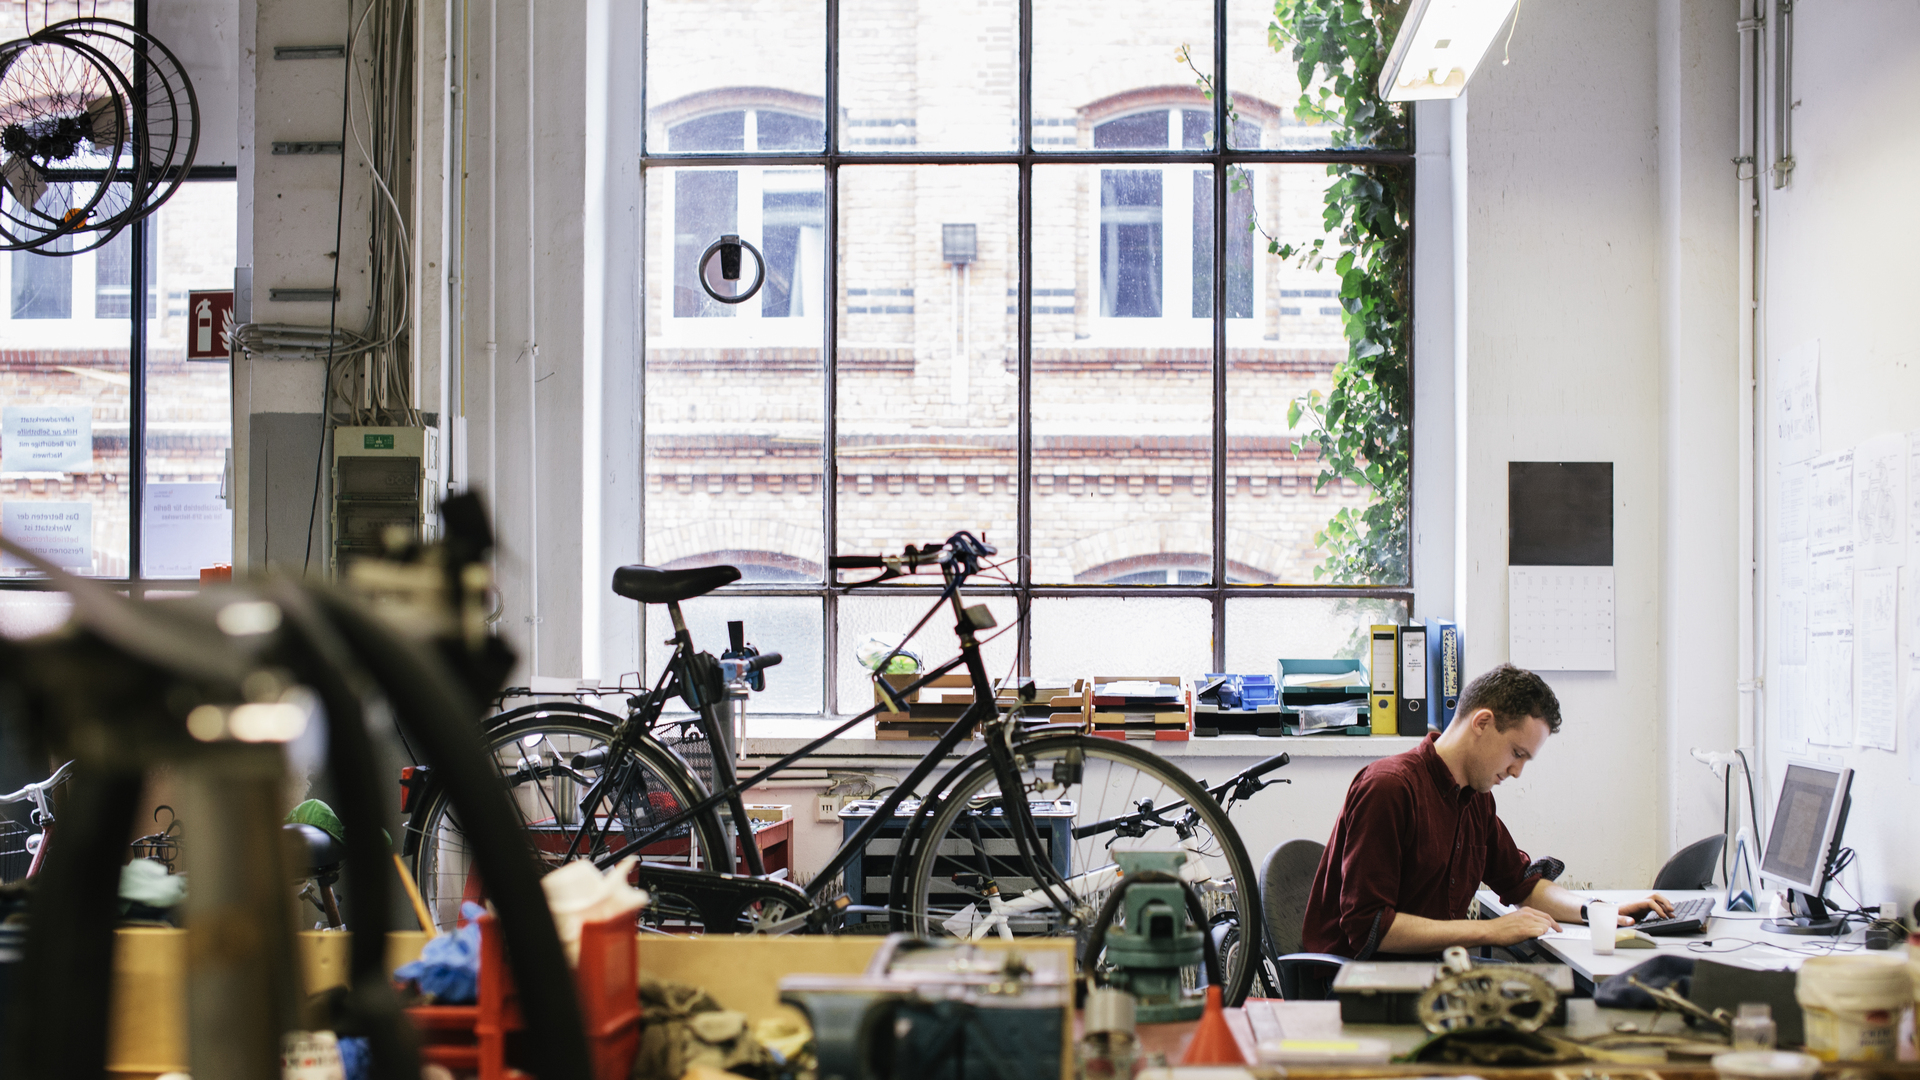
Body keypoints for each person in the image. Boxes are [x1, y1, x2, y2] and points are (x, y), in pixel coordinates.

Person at [1301, 663, 1673, 959]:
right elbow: (1368, 927)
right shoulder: (1389, 788)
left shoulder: (1475, 798)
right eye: (1517, 753)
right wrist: (1489, 931)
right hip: (1358, 984)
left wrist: (1599, 910)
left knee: (1550, 987)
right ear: (1482, 723)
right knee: (1543, 999)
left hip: (1428, 969)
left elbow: (1521, 885)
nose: (1516, 772)